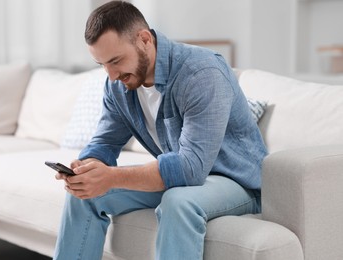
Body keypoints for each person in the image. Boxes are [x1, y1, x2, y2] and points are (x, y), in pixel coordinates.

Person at [53, 1, 268, 259]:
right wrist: (87, 170)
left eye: (116, 60)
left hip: (235, 181)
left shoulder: (201, 73)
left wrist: (110, 176)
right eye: (102, 65)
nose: (111, 75)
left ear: (144, 39)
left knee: (178, 201)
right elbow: (105, 143)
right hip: (180, 179)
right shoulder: (118, 86)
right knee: (84, 194)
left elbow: (191, 168)